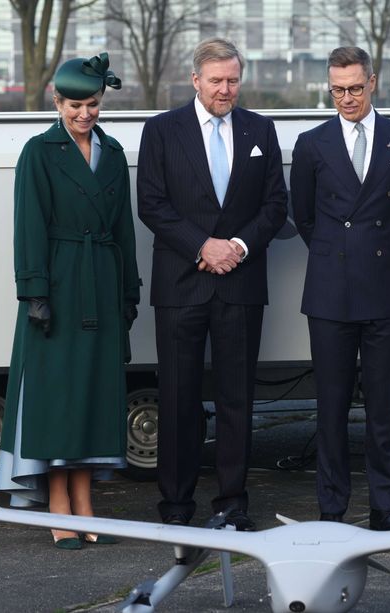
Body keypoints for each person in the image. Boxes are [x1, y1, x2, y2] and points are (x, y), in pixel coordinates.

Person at [136, 38, 288, 531]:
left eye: (233, 80)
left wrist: (237, 247)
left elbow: (275, 205)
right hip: (181, 284)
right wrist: (203, 246)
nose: (225, 89)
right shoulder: (161, 130)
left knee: (236, 400)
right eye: (217, 80)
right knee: (177, 399)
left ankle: (232, 503)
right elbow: (151, 203)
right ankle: (176, 505)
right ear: (195, 80)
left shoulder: (261, 130)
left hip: (240, 285)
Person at [0, 53, 142, 549]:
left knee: (92, 396)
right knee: (58, 398)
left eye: (93, 104)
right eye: (75, 105)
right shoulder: (38, 152)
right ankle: (59, 505)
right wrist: (34, 291)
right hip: (57, 287)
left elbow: (124, 228)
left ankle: (85, 502)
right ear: (57, 103)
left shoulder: (113, 153)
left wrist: (129, 291)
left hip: (102, 282)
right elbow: (28, 224)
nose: (85, 113)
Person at [290, 46, 390, 531]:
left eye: (353, 88)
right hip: (330, 291)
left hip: (386, 289)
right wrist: (338, 253)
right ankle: (331, 509)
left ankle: (383, 508)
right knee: (330, 408)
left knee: (383, 407)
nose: (346, 98)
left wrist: (373, 248)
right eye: (336, 90)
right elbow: (304, 216)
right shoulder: (312, 143)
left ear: (372, 82)